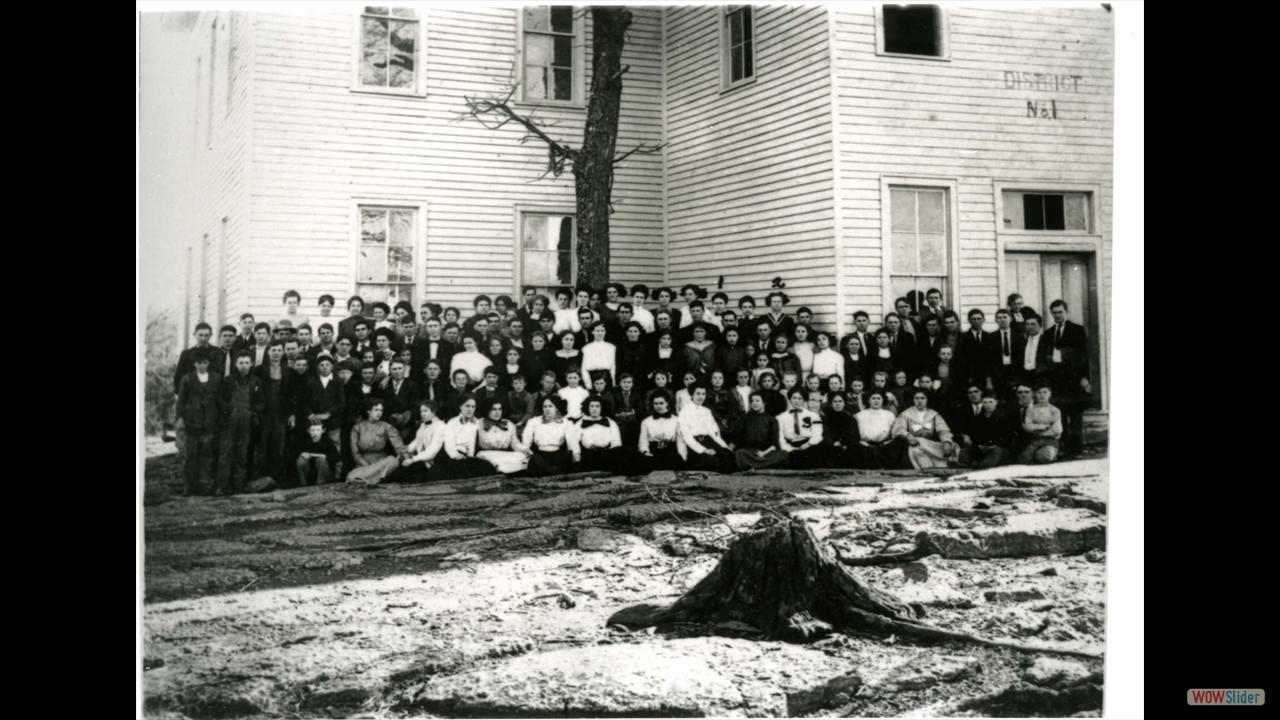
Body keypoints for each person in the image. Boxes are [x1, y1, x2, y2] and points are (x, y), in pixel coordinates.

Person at [1045, 300, 1091, 457]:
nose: (1057, 315)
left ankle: (1077, 449)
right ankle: (1064, 448)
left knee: (1076, 415)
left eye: (1060, 312)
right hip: (1057, 381)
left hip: (1074, 379)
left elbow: (1085, 356)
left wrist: (1084, 377)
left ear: (1066, 312)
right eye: (1054, 312)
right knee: (1061, 415)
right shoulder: (1049, 333)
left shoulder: (1077, 330)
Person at [176, 348, 221, 495]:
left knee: (207, 456)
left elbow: (219, 401)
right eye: (199, 363)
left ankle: (205, 485)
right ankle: (189, 486)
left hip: (210, 423)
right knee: (191, 456)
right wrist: (180, 419)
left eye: (205, 363)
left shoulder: (216, 378)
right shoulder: (187, 379)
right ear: (194, 364)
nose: (202, 366)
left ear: (209, 363)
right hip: (192, 423)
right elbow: (181, 402)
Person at [345, 399, 409, 485]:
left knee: (393, 460)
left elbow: (398, 445)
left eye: (381, 410)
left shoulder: (386, 426)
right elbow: (355, 452)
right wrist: (364, 464)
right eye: (376, 410)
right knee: (351, 476)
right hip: (364, 463)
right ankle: (367, 479)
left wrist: (407, 458)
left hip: (382, 462)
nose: (379, 413)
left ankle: (365, 479)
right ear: (368, 411)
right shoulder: (358, 428)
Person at [678, 384, 736, 473]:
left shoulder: (707, 411)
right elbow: (687, 437)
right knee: (712, 460)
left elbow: (714, 433)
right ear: (692, 395)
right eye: (698, 393)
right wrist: (704, 450)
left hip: (708, 441)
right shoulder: (684, 411)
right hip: (695, 445)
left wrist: (724, 446)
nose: (701, 397)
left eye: (703, 394)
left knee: (727, 455)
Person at [892, 389, 956, 469]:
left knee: (953, 447)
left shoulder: (934, 414)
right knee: (917, 449)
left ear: (927, 400)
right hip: (914, 444)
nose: (919, 401)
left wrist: (946, 442)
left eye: (922, 398)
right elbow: (898, 428)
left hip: (930, 443)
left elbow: (943, 430)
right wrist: (908, 436)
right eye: (917, 398)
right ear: (913, 400)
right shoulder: (906, 414)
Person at [387, 400, 446, 483]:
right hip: (422, 460)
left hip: (434, 463)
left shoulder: (441, 426)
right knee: (398, 473)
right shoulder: (423, 425)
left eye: (426, 411)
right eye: (421, 411)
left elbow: (433, 450)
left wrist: (413, 459)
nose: (422, 414)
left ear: (434, 412)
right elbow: (417, 441)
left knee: (412, 479)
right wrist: (407, 448)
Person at [729, 391, 789, 471]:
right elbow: (737, 437)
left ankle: (754, 465)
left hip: (766, 452)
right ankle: (764, 466)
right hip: (749, 451)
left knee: (783, 455)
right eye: (752, 401)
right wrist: (730, 447)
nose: (754, 403)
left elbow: (774, 443)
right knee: (739, 454)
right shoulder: (745, 418)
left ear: (764, 403)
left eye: (757, 401)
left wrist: (763, 453)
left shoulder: (771, 420)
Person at [568, 396, 627, 472]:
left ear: (602, 407)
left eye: (597, 406)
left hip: (607, 455)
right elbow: (573, 440)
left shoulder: (610, 422)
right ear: (587, 407)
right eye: (592, 406)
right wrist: (576, 453)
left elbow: (616, 442)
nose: (594, 409)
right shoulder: (581, 422)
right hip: (588, 456)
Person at [958, 391, 1015, 469]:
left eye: (990, 402)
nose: (988, 405)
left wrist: (993, 445)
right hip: (982, 447)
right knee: (966, 450)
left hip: (998, 447)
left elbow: (1008, 435)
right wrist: (979, 444)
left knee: (996, 452)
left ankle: (982, 467)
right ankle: (962, 465)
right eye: (985, 402)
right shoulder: (979, 418)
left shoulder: (1004, 417)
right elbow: (974, 434)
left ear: (996, 402)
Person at [522, 396, 574, 477]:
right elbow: (526, 437)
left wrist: (576, 452)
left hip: (558, 455)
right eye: (545, 406)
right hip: (540, 455)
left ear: (556, 408)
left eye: (550, 406)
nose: (547, 409)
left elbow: (572, 440)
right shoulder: (534, 421)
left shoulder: (565, 422)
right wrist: (526, 448)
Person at [474, 399, 529, 474]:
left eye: (500, 409)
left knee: (521, 456)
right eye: (494, 409)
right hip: (486, 454)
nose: (497, 412)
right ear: (487, 410)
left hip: (504, 454)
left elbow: (515, 444)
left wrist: (525, 449)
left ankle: (504, 470)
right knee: (488, 461)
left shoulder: (509, 424)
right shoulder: (478, 423)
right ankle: (504, 470)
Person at [638, 392, 685, 472]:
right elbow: (643, 441)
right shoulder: (646, 421)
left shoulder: (676, 420)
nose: (658, 406)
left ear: (667, 403)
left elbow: (680, 441)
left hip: (671, 452)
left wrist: (683, 456)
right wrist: (645, 452)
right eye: (655, 403)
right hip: (654, 452)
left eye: (661, 403)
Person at [778, 388, 825, 468]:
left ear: (804, 400)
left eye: (800, 398)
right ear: (789, 399)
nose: (796, 401)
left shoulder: (813, 415)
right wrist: (789, 448)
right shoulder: (781, 417)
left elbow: (818, 434)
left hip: (808, 444)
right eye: (794, 398)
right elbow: (780, 437)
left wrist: (808, 444)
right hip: (790, 445)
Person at [1016, 383, 1063, 464]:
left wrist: (1038, 430)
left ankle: (1049, 453)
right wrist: (1043, 427)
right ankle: (1039, 454)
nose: (1042, 395)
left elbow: (1057, 429)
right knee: (1024, 459)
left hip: (1050, 440)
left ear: (1050, 394)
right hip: (1035, 440)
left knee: (1045, 457)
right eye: (1039, 392)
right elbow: (1027, 426)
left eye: (1045, 392)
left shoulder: (1055, 410)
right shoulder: (1030, 410)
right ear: (1034, 394)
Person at [854, 391, 902, 469]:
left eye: (879, 398)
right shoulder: (860, 415)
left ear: (882, 400)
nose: (876, 401)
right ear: (869, 401)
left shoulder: (889, 415)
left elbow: (893, 432)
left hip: (884, 445)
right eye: (873, 398)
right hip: (865, 446)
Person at [380, 358, 420, 441]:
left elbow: (415, 407)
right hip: (387, 424)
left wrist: (404, 419)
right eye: (394, 369)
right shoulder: (384, 385)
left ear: (404, 369)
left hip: (406, 425)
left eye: (400, 368)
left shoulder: (413, 386)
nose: (397, 372)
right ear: (389, 370)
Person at [955, 309, 992, 390]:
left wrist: (989, 378)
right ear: (969, 320)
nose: (976, 321)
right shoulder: (963, 337)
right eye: (973, 319)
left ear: (983, 320)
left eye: (979, 318)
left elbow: (991, 359)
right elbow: (961, 359)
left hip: (986, 377)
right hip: (969, 377)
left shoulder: (989, 337)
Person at [296, 420, 341, 485]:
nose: (315, 433)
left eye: (318, 430)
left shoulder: (327, 442)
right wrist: (301, 453)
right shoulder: (305, 441)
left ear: (323, 430)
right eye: (313, 430)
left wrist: (317, 455)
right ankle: (304, 484)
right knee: (301, 460)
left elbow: (337, 458)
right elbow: (294, 453)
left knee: (321, 460)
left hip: (325, 473)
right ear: (308, 431)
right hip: (311, 473)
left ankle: (320, 484)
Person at [822, 393, 861, 468]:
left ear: (844, 403)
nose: (837, 404)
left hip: (847, 446)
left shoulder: (851, 419)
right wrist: (834, 442)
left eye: (840, 401)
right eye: (835, 401)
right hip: (832, 445)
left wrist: (842, 442)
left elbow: (854, 434)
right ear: (831, 404)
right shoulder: (826, 419)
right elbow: (826, 433)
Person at [609, 373, 643, 447]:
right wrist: (618, 414)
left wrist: (632, 412)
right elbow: (612, 408)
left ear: (632, 384)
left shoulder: (636, 394)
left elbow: (640, 409)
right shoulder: (615, 394)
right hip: (619, 420)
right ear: (620, 383)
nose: (626, 384)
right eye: (624, 382)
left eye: (629, 382)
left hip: (632, 421)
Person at [581, 322, 617, 386]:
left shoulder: (611, 347)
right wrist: (588, 384)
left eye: (602, 331)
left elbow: (613, 366)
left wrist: (613, 382)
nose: (600, 333)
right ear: (592, 332)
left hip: (606, 377)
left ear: (605, 332)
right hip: (592, 378)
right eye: (597, 331)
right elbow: (584, 368)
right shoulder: (586, 348)